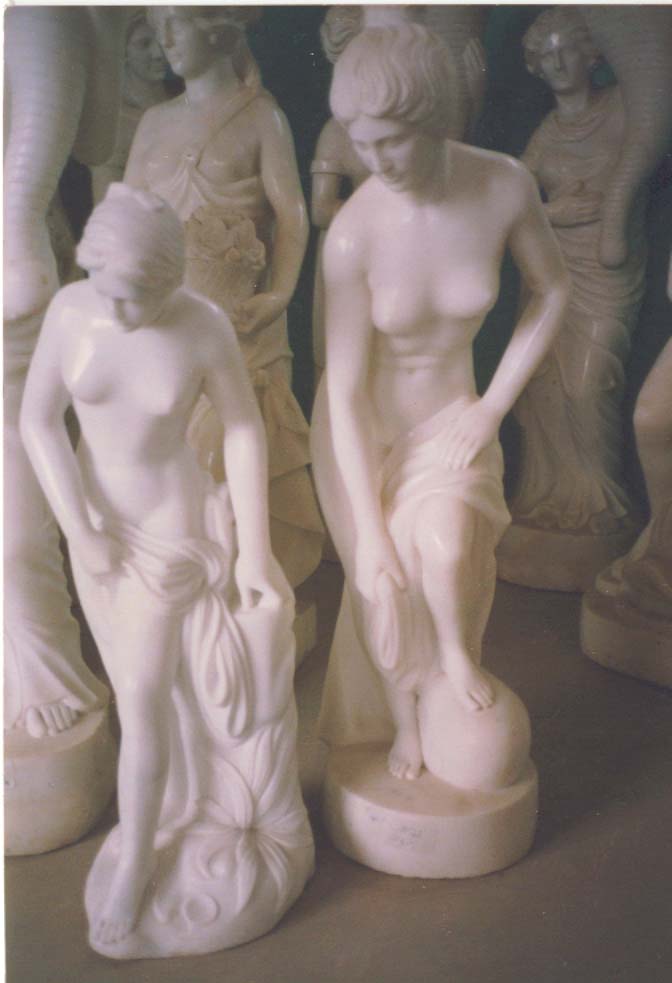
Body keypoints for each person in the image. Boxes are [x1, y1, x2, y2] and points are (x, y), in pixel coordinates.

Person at [20, 184, 310, 951]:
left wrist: (254, 550)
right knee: (147, 692)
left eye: (139, 296)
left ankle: (136, 865)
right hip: (98, 537)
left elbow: (243, 430)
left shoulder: (201, 324)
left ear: (171, 277)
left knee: (142, 695)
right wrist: (78, 524)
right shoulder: (70, 312)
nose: (120, 312)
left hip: (169, 534)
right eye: (108, 289)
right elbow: (37, 420)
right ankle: (180, 802)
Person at [311, 25, 568, 781]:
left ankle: (455, 661)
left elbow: (553, 291)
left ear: (435, 120)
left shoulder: (503, 185)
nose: (373, 160)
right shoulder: (353, 236)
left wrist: (490, 408)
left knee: (450, 552)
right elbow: (345, 390)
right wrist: (370, 532)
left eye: (390, 141)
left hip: (454, 419)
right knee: (387, 586)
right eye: (360, 142)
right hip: (364, 433)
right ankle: (405, 720)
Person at [125, 5, 323, 589]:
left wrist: (280, 293)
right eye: (157, 25)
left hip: (239, 320)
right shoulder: (154, 120)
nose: (166, 38)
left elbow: (292, 216)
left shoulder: (261, 116)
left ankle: (242, 576)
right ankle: (184, 579)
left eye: (177, 22)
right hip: (161, 325)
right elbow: (126, 212)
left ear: (217, 26)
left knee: (229, 456)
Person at [511, 7, 647, 535]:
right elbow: (514, 202)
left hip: (606, 271)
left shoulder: (625, 109)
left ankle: (600, 504)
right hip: (552, 271)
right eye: (544, 54)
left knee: (590, 384)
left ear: (590, 54)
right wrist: (556, 214)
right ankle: (549, 500)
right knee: (541, 382)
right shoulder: (545, 134)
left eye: (565, 48)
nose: (556, 62)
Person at [91, 10, 171, 204]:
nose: (158, 53)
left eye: (162, 40)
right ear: (123, 51)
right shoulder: (113, 123)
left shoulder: (183, 98)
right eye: (144, 44)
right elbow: (108, 206)